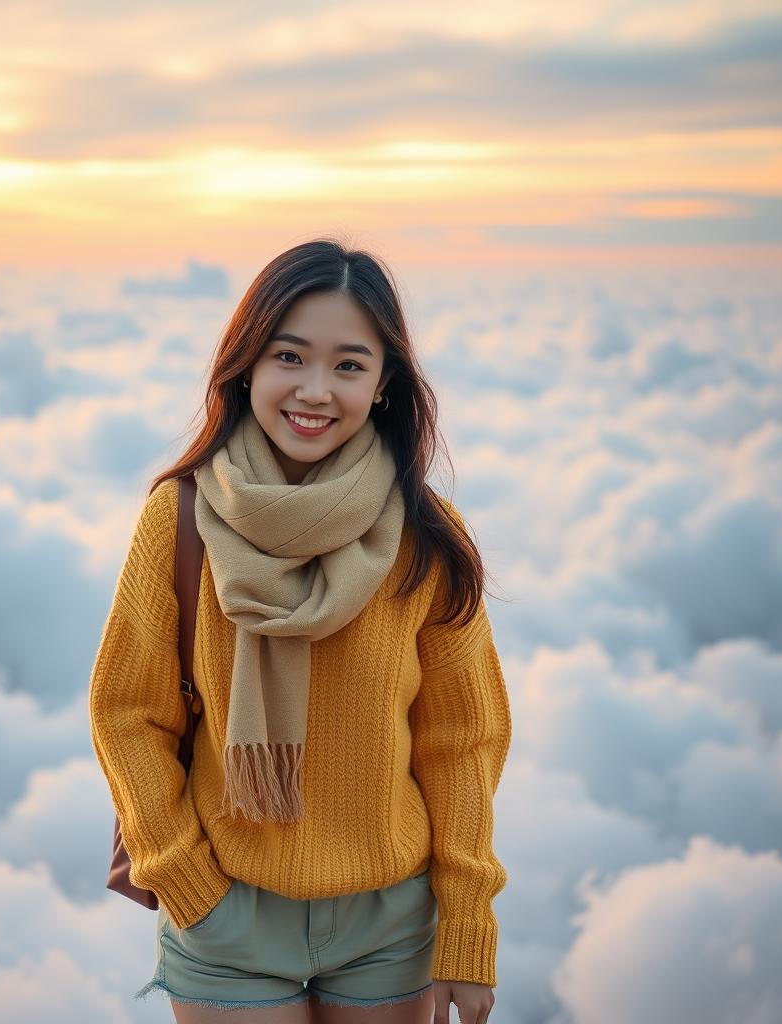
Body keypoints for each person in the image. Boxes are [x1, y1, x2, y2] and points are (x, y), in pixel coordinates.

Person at [89, 237, 511, 1024]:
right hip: (229, 912)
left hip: (391, 919)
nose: (316, 389)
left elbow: (462, 741)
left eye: (350, 365)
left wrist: (466, 921)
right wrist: (185, 880)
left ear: (385, 385)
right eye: (291, 356)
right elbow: (128, 715)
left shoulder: (428, 537)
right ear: (247, 364)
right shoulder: (179, 520)